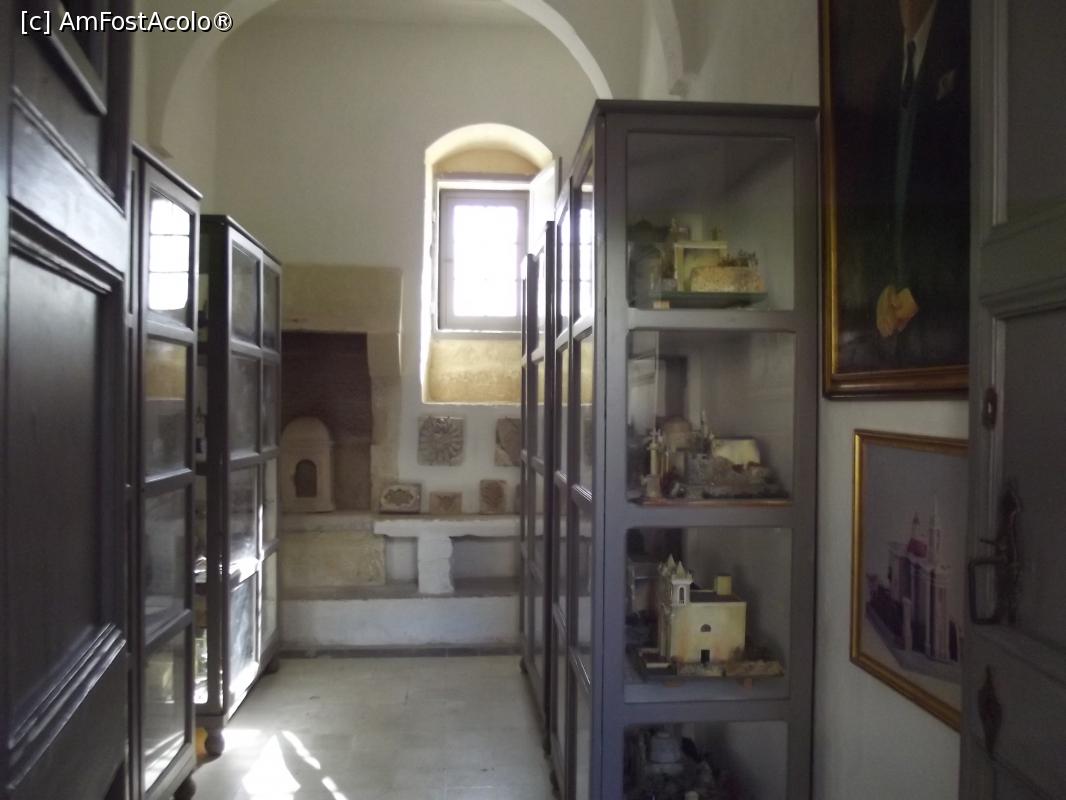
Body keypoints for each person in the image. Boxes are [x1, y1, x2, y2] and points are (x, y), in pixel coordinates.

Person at [861, 0, 970, 369]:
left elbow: (968, 193)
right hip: (899, 322)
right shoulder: (889, 75)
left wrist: (924, 288)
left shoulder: (965, 47)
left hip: (949, 314)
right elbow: (874, 199)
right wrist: (881, 286)